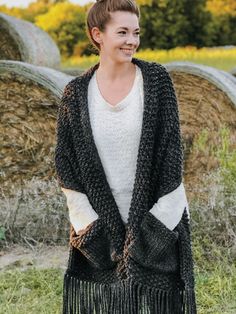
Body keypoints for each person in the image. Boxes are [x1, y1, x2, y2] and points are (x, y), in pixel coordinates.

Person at [54, 0, 197, 313]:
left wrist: (155, 227)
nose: (132, 40)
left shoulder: (157, 82)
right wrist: (86, 223)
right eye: (122, 32)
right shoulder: (76, 94)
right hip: (99, 226)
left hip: (157, 220)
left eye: (136, 32)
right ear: (98, 35)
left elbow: (172, 158)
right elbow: (65, 163)